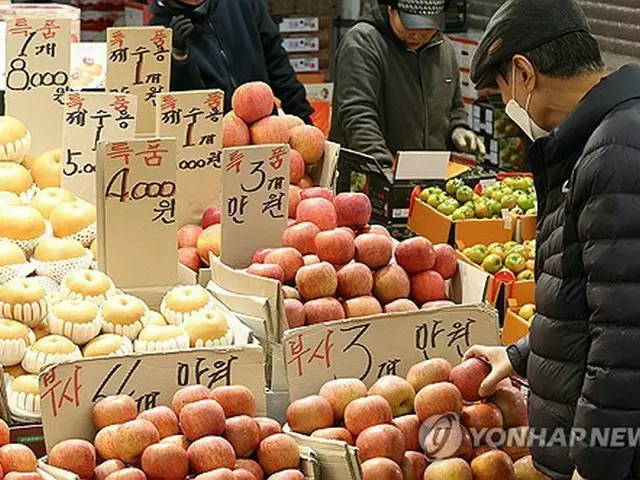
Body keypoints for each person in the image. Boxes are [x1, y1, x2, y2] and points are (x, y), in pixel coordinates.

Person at [466, 1, 640, 479]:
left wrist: (594, 465)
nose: (506, 108)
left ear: (523, 72)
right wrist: (523, 354)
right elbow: (594, 293)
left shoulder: (616, 152)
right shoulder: (596, 140)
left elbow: (626, 337)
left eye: (501, 90)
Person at [330, 0, 485, 169]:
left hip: (428, 178)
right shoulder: (363, 42)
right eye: (410, 24)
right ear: (391, 9)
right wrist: (382, 168)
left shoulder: (443, 49)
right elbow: (358, 114)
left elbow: (453, 106)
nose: (418, 35)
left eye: (428, 27)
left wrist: (458, 128)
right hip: (369, 177)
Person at [148, 0, 314, 122]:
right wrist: (179, 59)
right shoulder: (158, 33)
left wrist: (303, 118)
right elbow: (181, 108)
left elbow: (276, 62)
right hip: (211, 145)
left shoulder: (243, 4)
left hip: (265, 131)